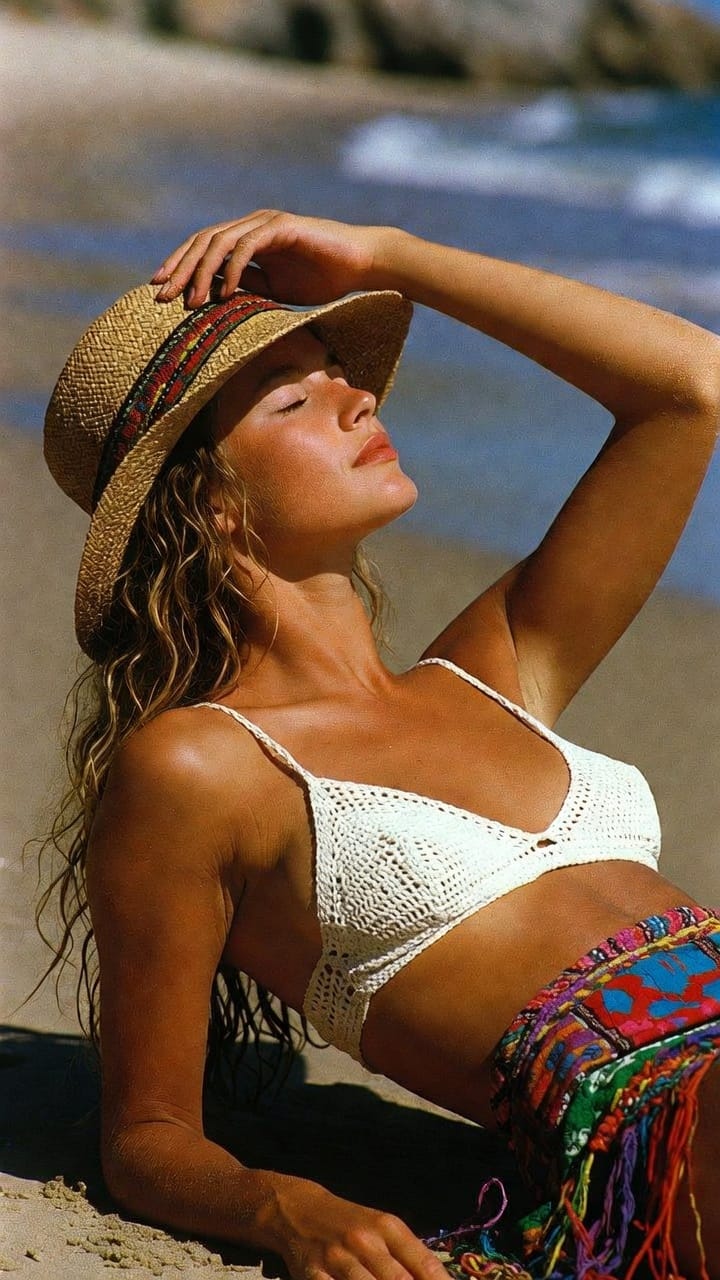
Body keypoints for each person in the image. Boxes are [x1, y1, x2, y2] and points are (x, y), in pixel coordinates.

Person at [40, 209, 720, 1280]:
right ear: (209, 503)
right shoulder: (203, 766)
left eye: (341, 372)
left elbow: (690, 386)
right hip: (667, 1136)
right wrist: (285, 1207)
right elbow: (148, 1135)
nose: (361, 394)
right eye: (299, 396)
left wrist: (388, 256)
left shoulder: (495, 671)